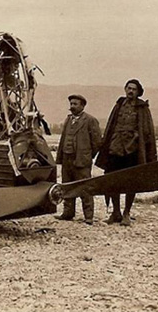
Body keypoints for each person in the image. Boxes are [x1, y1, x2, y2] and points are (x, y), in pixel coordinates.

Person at [95, 79, 157, 226]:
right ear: (125, 89)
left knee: (131, 181)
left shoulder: (142, 108)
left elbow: (146, 130)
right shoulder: (118, 105)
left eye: (134, 89)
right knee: (112, 179)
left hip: (132, 150)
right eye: (128, 88)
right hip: (115, 147)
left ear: (138, 92)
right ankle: (115, 212)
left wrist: (140, 143)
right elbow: (111, 125)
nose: (130, 91)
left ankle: (126, 213)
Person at [55, 94, 102, 225]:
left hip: (82, 161)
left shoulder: (90, 120)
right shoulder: (68, 120)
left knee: (85, 188)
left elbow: (97, 142)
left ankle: (88, 216)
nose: (72, 107)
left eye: (75, 104)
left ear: (82, 106)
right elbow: (64, 139)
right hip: (67, 159)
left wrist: (87, 155)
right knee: (67, 186)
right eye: (71, 104)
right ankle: (68, 213)